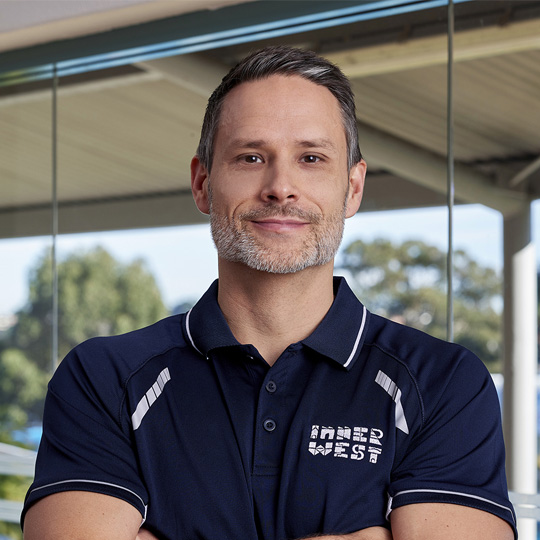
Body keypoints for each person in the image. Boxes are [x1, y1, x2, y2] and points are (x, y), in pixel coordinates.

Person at [22, 46, 516, 540]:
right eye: (251, 157)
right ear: (202, 183)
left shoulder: (444, 383)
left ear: (353, 187)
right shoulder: (103, 377)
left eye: (311, 158)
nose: (281, 187)